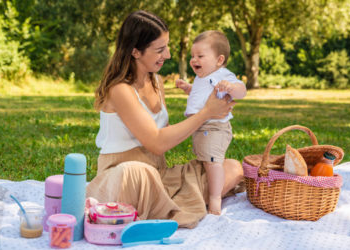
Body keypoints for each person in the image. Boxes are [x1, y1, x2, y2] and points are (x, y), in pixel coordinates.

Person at [86, 11, 243, 229]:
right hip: (125, 179)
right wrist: (206, 112)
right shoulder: (120, 90)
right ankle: (169, 204)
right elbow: (158, 143)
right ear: (135, 51)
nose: (167, 55)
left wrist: (208, 118)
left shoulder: (157, 82)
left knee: (232, 168)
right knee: (138, 171)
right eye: (160, 50)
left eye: (167, 47)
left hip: (160, 176)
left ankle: (165, 204)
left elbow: (166, 135)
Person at [175, 30, 247, 215]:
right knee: (206, 162)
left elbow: (242, 90)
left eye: (200, 55)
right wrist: (189, 89)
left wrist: (231, 87)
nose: (193, 59)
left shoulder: (221, 75)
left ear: (219, 60)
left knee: (213, 163)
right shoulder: (202, 78)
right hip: (201, 128)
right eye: (192, 56)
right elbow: (202, 97)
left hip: (214, 128)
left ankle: (215, 200)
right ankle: (228, 186)